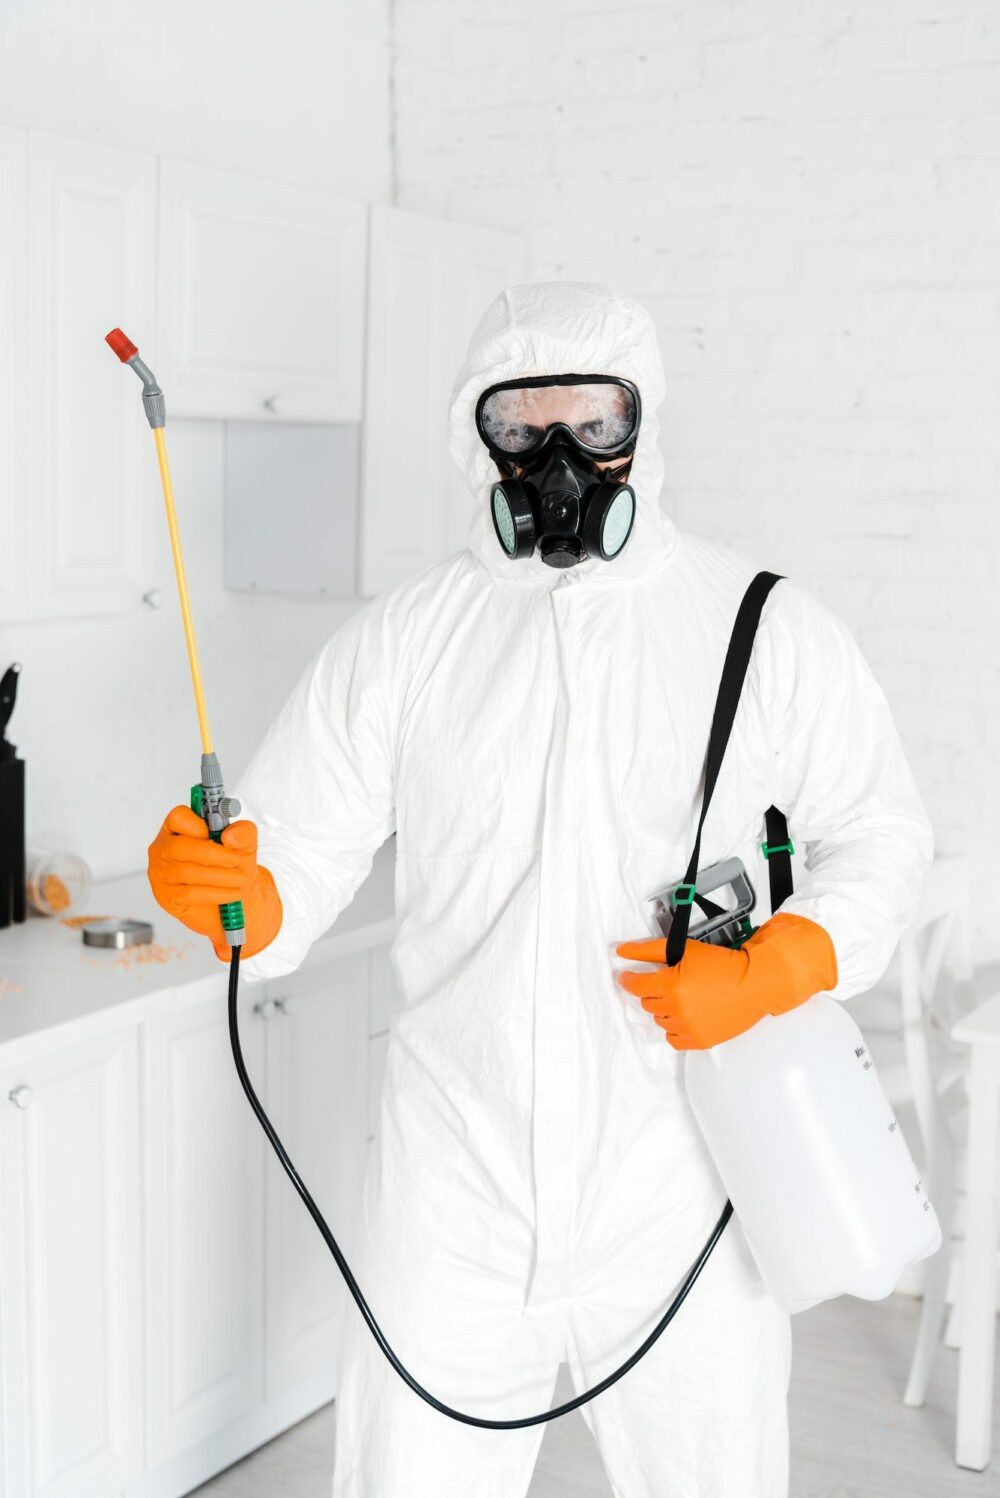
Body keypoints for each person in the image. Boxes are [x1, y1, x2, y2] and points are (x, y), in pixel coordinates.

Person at [148, 281, 933, 1497]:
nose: (558, 460)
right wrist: (223, 892)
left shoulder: (761, 626)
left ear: (643, 427)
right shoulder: (405, 640)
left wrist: (789, 961)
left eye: (592, 425)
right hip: (451, 1196)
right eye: (524, 428)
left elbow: (883, 840)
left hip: (683, 1185)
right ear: (481, 435)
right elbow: (284, 878)